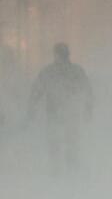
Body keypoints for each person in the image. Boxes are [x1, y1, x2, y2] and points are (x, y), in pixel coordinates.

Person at [28, 43, 93, 175]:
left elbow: (37, 90)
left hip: (57, 112)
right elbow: (88, 90)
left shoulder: (50, 71)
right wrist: (88, 108)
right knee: (68, 141)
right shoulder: (75, 71)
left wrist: (32, 106)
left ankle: (59, 169)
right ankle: (69, 168)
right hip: (69, 112)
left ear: (56, 55)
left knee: (58, 141)